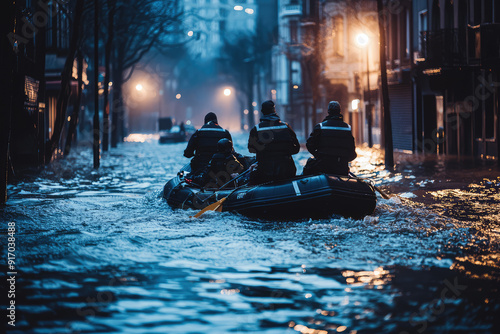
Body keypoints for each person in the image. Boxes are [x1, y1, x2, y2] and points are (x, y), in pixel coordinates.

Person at [248, 100, 300, 184]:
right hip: (286, 170)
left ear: (262, 112)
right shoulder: (286, 126)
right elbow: (296, 148)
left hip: (265, 171)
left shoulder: (256, 129)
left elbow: (251, 149)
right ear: (274, 111)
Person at [303, 101, 357, 176]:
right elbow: (352, 153)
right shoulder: (347, 128)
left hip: (323, 167)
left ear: (328, 111)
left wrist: (318, 156)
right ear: (340, 111)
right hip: (341, 168)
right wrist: (343, 160)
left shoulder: (320, 127)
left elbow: (309, 145)